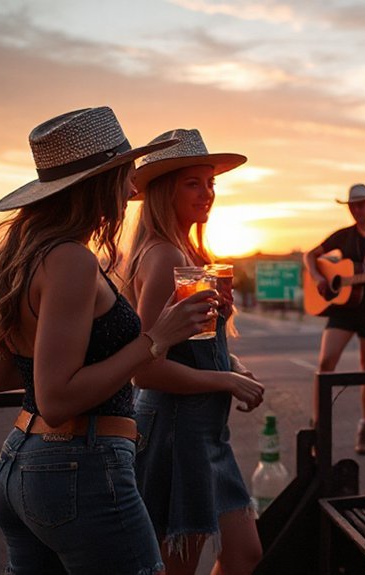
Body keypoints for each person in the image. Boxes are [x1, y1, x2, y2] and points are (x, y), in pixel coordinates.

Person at [0, 107, 217, 574]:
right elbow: (57, 399)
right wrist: (155, 338)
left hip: (18, 465)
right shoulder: (71, 260)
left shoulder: (23, 258)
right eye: (125, 176)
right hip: (81, 467)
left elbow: (1, 377)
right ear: (99, 183)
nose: (130, 191)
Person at [123, 128, 265, 575]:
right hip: (175, 432)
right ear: (165, 191)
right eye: (193, 183)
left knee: (244, 555)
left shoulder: (192, 253)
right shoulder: (164, 255)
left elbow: (192, 348)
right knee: (177, 566)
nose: (207, 194)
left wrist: (233, 364)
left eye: (211, 184)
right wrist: (225, 380)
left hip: (206, 433)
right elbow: (145, 369)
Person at [304, 184, 365, 454]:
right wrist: (318, 277)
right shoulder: (343, 236)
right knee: (325, 363)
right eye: (352, 205)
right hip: (344, 308)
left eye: (361, 204)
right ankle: (318, 425)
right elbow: (309, 255)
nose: (356, 210)